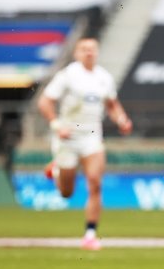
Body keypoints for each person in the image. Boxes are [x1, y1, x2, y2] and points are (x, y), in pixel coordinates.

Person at [37, 37, 133, 250]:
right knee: (66, 193)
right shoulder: (68, 75)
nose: (89, 52)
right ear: (76, 53)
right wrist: (56, 125)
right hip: (68, 136)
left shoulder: (104, 77)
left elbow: (112, 104)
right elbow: (45, 101)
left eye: (92, 49)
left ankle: (90, 234)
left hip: (92, 136)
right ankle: (56, 172)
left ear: (97, 52)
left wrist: (121, 119)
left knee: (95, 182)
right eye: (84, 49)